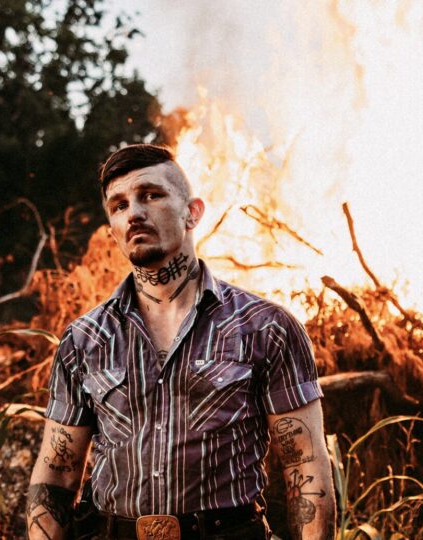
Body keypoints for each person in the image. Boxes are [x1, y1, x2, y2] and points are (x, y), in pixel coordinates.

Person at [26, 144, 335, 540]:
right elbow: (56, 475)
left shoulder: (266, 327)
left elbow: (305, 465)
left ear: (193, 212)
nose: (134, 213)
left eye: (151, 195)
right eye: (119, 206)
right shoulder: (84, 339)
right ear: (113, 230)